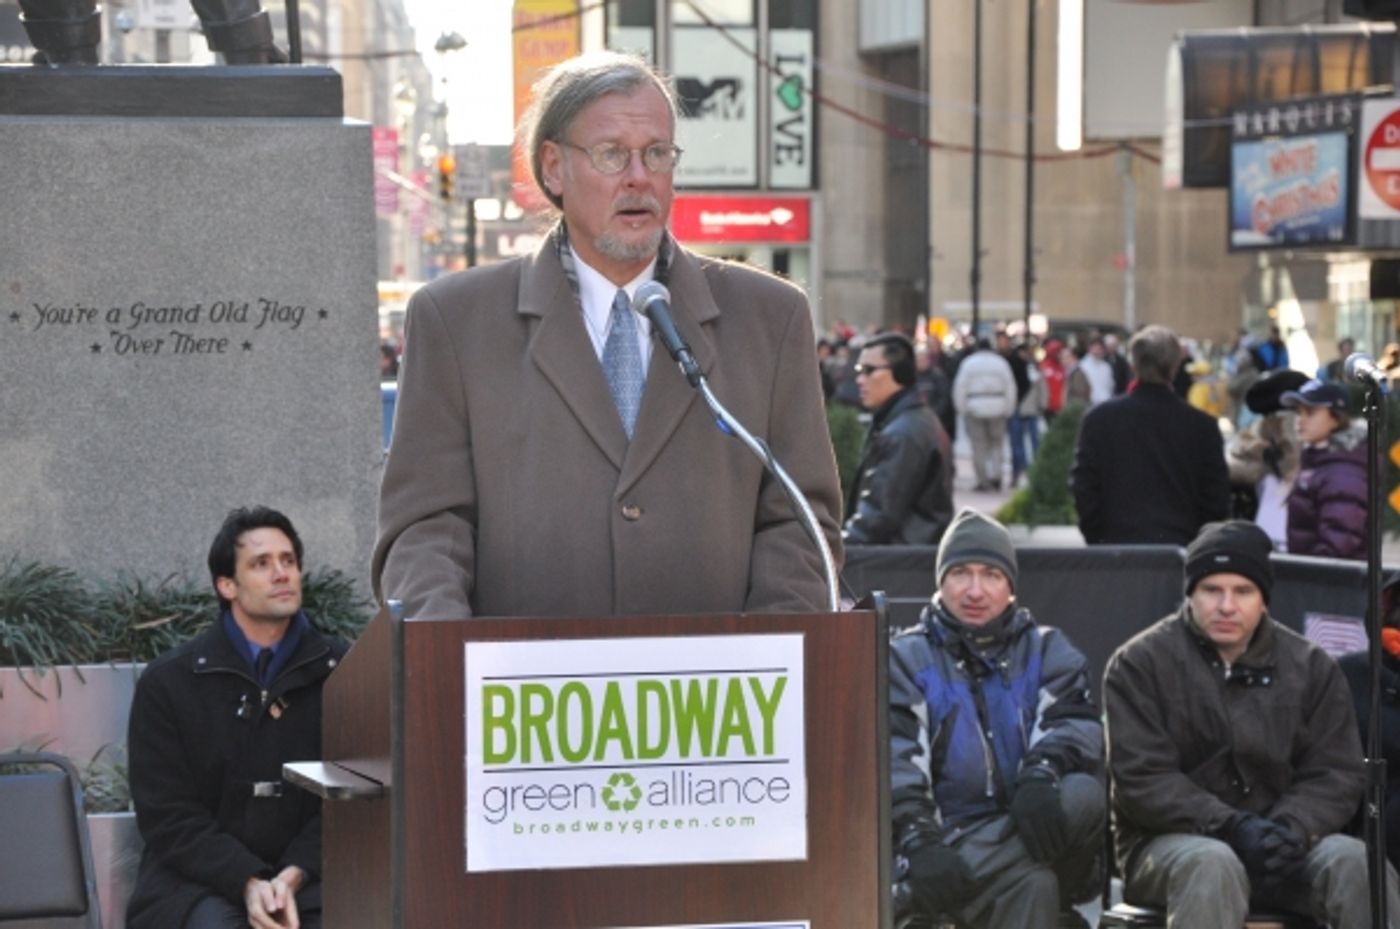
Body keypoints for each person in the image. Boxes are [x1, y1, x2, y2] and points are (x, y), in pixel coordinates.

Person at [372, 52, 841, 620]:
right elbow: (426, 527)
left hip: (718, 699)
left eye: (657, 154)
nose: (639, 177)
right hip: (523, 697)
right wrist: (450, 662)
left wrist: (764, 659)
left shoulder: (771, 317)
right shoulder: (455, 321)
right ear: (552, 167)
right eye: (611, 154)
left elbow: (799, 519)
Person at [1104, 520, 1399, 929]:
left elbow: (1337, 773)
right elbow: (1143, 779)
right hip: (1168, 845)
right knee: (1212, 863)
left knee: (1356, 862)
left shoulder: (1310, 665)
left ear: (1264, 599)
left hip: (1285, 845)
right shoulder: (1138, 663)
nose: (1226, 605)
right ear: (1190, 593)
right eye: (1211, 590)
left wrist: (1290, 830)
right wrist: (1231, 826)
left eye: (1243, 591)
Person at [126, 507, 347, 929]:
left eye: (288, 561)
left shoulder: (344, 672)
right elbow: (168, 816)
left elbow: (352, 797)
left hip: (316, 875)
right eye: (261, 564)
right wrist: (248, 880)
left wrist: (292, 875)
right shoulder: (170, 682)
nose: (281, 573)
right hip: (197, 883)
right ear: (226, 584)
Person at [890, 509, 1105, 929]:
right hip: (941, 840)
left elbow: (1075, 727)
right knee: (1034, 882)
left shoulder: (1047, 649)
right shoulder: (906, 657)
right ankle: (946, 880)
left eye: (990, 574)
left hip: (1029, 821)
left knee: (1081, 794)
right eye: (960, 573)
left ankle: (913, 899)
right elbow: (894, 760)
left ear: (1010, 585)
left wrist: (1040, 775)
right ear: (940, 581)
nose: (975, 590)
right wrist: (920, 840)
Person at [1071, 325, 1230, 545]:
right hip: (1180, 549)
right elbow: (1216, 498)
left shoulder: (1099, 419)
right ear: (1175, 366)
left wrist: (1097, 538)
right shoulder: (1202, 427)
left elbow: (1084, 487)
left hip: (1116, 547)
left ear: (1133, 364)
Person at [843, 333, 953, 545]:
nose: (859, 379)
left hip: (899, 564)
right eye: (859, 371)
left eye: (868, 371)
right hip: (904, 560)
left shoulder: (905, 432)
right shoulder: (907, 421)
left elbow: (876, 518)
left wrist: (836, 550)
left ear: (900, 374)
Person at [1280, 378, 1367, 560]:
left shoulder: (1343, 472)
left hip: (1330, 583)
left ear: (1336, 419)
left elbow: (1337, 546)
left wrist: (1307, 580)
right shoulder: (1319, 459)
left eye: (1310, 412)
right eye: (1299, 412)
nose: (1300, 420)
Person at [952, 337, 1017, 492]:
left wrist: (961, 408)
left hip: (975, 406)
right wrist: (1009, 408)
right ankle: (997, 476)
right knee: (997, 444)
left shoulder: (968, 363)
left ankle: (983, 479)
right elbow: (1010, 386)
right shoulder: (1001, 363)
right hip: (998, 406)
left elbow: (960, 387)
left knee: (978, 446)